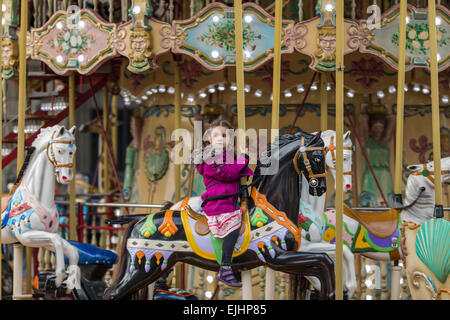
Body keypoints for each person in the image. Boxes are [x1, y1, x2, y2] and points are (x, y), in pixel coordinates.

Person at [195, 119, 254, 287]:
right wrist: (243, 158)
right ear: (209, 139)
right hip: (219, 203)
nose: (221, 138)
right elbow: (229, 173)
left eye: (225, 135)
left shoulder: (227, 156)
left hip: (228, 200)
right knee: (234, 225)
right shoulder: (212, 157)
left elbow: (237, 172)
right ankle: (225, 268)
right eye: (216, 135)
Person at [359, 106, 396, 207]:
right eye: (376, 127)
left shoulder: (385, 142)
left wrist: (388, 111)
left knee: (387, 201)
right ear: (371, 128)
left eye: (381, 127)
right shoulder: (366, 141)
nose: (379, 130)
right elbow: (362, 122)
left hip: (385, 175)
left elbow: (393, 118)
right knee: (369, 201)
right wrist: (364, 112)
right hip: (370, 174)